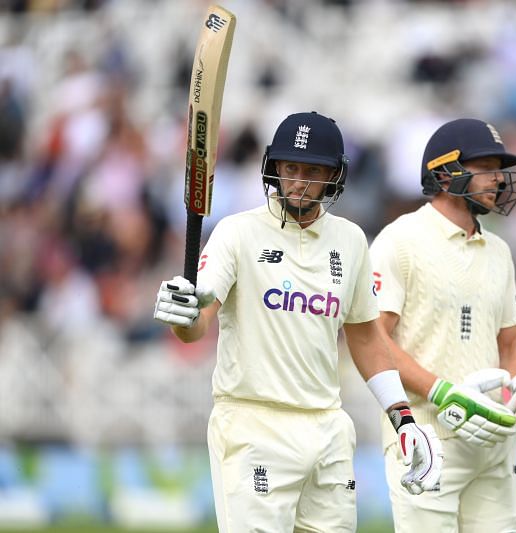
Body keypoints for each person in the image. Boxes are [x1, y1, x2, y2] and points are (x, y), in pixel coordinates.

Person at [153, 111, 443, 533]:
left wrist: (403, 418)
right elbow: (199, 322)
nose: (299, 181)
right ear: (274, 168)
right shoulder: (238, 233)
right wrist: (184, 316)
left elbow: (365, 338)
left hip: (327, 427)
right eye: (291, 168)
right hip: (254, 426)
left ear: (335, 176)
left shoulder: (351, 240)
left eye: (313, 171)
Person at [369, 118, 516, 532]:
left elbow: (510, 343)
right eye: (485, 167)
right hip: (426, 438)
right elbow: (373, 340)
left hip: (493, 441)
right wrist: (444, 392)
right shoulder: (399, 241)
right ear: (444, 174)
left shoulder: (499, 251)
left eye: (499, 167)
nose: (498, 179)